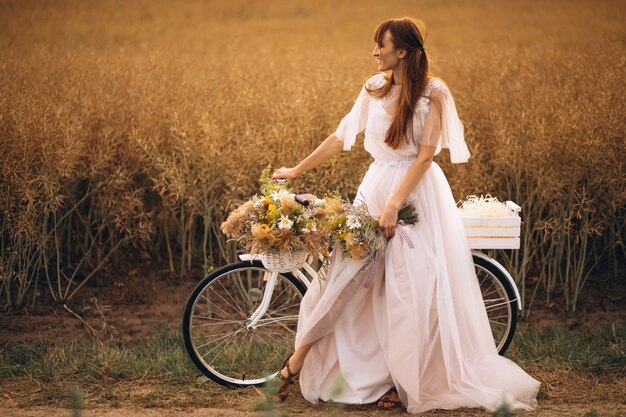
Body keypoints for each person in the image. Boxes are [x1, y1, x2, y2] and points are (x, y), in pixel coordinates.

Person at [270, 17, 540, 414]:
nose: (374, 52)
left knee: (407, 288)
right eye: (376, 45)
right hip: (374, 187)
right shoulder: (374, 87)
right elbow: (342, 135)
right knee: (347, 279)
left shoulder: (435, 93)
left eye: (382, 45)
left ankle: (404, 381)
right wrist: (296, 170)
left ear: (404, 52)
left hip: (417, 196)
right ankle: (296, 364)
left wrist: (395, 204)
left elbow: (426, 156)